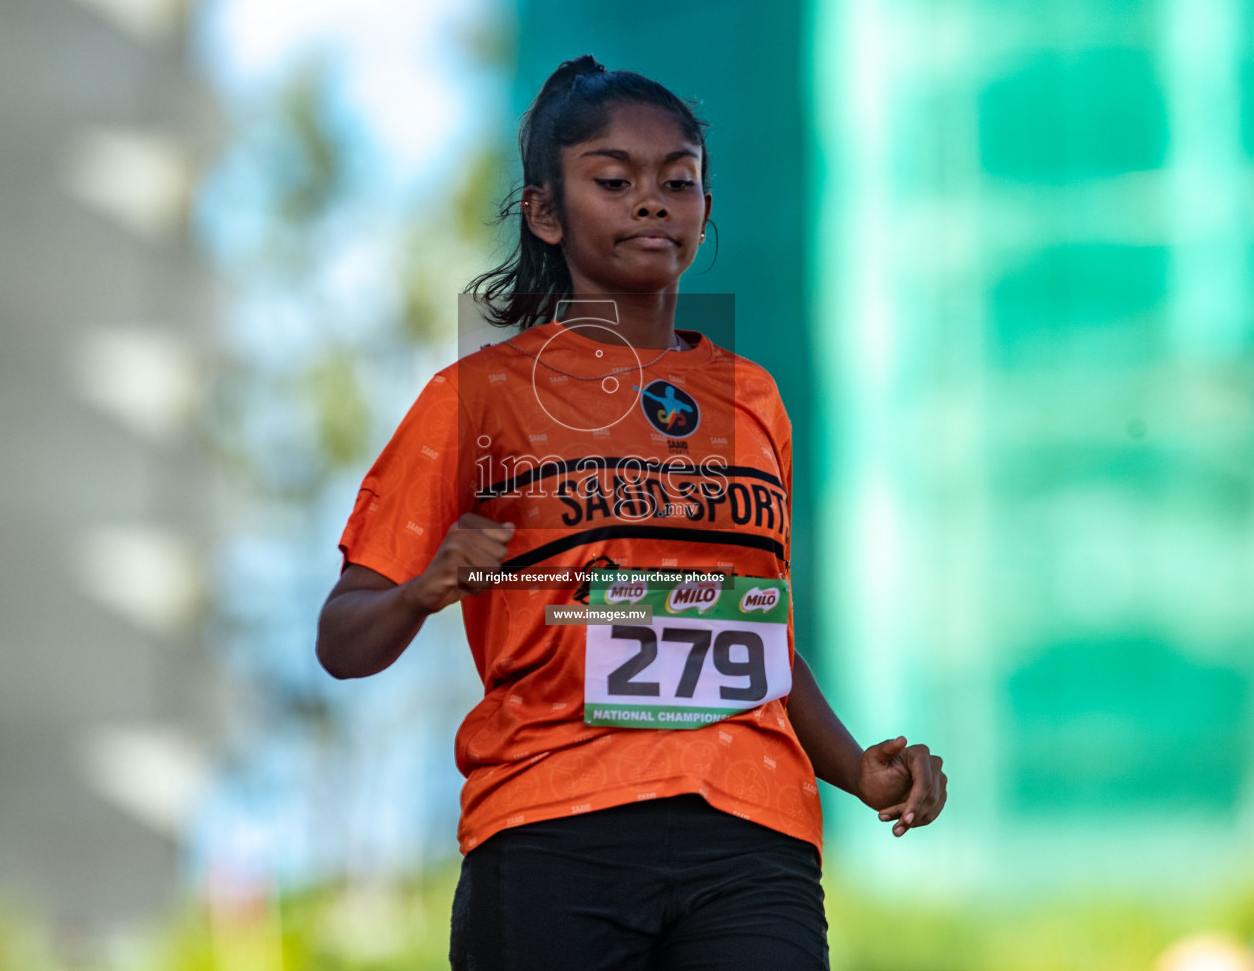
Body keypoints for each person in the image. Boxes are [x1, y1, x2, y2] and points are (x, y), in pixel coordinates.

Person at [317, 55, 948, 971]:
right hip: (549, 822)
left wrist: (854, 769)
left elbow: (752, 630)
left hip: (752, 829)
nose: (652, 201)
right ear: (545, 211)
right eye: (614, 181)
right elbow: (342, 639)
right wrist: (421, 591)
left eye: (679, 180)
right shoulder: (478, 396)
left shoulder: (752, 398)